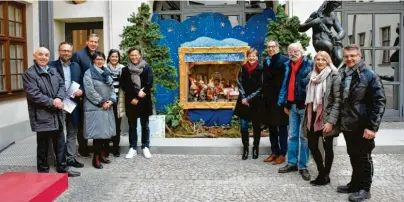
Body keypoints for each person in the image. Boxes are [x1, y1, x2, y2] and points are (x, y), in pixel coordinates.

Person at [336, 44, 386, 202]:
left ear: (360, 56)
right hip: (348, 123)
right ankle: (354, 184)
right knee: (353, 155)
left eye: (353, 56)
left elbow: (379, 101)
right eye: (346, 56)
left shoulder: (370, 75)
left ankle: (365, 189)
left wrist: (372, 127)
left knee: (364, 157)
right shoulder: (344, 73)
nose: (349, 59)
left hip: (363, 124)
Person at [23, 47, 80, 177]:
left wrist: (59, 98)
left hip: (57, 114)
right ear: (35, 55)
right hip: (42, 115)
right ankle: (43, 171)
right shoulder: (29, 74)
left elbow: (61, 85)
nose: (44, 57)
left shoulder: (53, 70)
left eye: (46, 55)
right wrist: (53, 102)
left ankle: (62, 168)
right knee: (43, 146)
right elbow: (34, 94)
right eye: (41, 54)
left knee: (60, 143)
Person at [302, 51, 341, 186]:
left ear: (327, 61)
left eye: (323, 60)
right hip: (312, 115)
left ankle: (325, 175)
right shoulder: (312, 75)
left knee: (327, 147)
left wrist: (331, 121)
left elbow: (337, 101)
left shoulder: (334, 76)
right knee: (312, 145)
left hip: (326, 117)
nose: (320, 62)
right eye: (317, 59)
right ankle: (322, 172)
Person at [278, 42, 312, 181]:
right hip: (292, 106)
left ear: (302, 51)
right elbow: (286, 86)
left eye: (295, 51)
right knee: (292, 136)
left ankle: (303, 166)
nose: (292, 53)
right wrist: (285, 103)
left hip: (304, 106)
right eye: (290, 51)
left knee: (304, 137)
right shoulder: (287, 65)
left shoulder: (309, 64)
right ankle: (292, 163)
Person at [49, 42, 84, 168]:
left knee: (72, 132)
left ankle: (71, 158)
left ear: (71, 52)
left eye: (69, 51)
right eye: (64, 50)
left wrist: (81, 90)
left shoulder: (76, 66)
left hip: (72, 103)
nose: (66, 53)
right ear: (59, 51)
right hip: (58, 104)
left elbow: (80, 82)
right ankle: (60, 160)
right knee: (59, 133)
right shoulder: (51, 66)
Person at [83, 51, 117, 169]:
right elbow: (90, 91)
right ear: (93, 60)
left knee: (105, 134)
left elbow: (112, 88)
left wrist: (111, 100)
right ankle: (95, 158)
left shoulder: (107, 73)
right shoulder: (88, 73)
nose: (100, 61)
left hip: (107, 106)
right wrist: (102, 102)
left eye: (102, 59)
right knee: (97, 135)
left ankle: (102, 155)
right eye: (97, 59)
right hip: (95, 107)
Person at [121, 48, 154, 159]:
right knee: (132, 125)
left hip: (144, 100)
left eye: (136, 55)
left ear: (140, 55)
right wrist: (135, 96)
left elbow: (149, 83)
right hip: (131, 101)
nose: (134, 57)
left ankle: (145, 146)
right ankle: (133, 148)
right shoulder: (125, 70)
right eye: (132, 55)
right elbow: (125, 85)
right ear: (129, 56)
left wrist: (141, 93)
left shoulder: (147, 68)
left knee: (145, 125)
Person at [71, 33, 100, 158]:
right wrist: (80, 90)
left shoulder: (98, 55)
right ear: (87, 42)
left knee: (94, 121)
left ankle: (95, 147)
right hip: (82, 94)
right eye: (91, 41)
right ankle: (83, 148)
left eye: (96, 42)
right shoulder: (78, 55)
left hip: (95, 94)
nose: (93, 44)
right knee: (83, 123)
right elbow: (75, 75)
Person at [262, 40, 289, 165]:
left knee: (282, 127)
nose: (271, 49)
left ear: (278, 47)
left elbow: (286, 81)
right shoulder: (266, 60)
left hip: (280, 99)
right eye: (269, 47)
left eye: (273, 46)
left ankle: (283, 154)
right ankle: (274, 151)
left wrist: (285, 101)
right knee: (272, 126)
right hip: (268, 99)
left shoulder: (284, 60)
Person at [234, 48, 264, 160]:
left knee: (256, 126)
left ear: (257, 57)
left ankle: (255, 148)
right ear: (247, 57)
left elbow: (261, 87)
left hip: (256, 102)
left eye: (254, 56)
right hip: (243, 102)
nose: (252, 58)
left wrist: (249, 98)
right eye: (250, 56)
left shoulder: (261, 69)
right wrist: (243, 97)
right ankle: (245, 148)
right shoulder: (242, 68)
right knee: (244, 126)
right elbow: (239, 82)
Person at [299, 1, 345, 67]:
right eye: (333, 5)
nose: (334, 8)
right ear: (328, 4)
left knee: (339, 57)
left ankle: (335, 72)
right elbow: (301, 28)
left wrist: (337, 37)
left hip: (331, 41)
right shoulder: (316, 14)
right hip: (318, 41)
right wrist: (313, 23)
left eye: (336, 6)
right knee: (328, 46)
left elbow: (341, 31)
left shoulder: (332, 16)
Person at [106, 49, 125, 157]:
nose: (114, 58)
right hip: (108, 101)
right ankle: (107, 147)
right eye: (112, 56)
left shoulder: (122, 69)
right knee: (108, 124)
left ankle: (116, 147)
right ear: (109, 57)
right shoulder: (104, 69)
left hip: (119, 100)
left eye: (116, 57)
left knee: (117, 125)